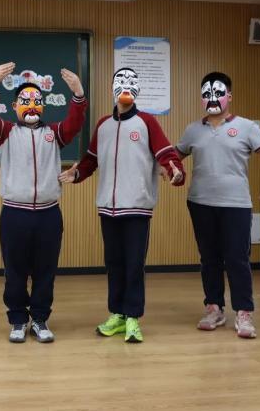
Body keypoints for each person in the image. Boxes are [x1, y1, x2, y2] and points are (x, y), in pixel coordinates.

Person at [60, 67, 185, 343]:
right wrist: (76, 174)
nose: (126, 86)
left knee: (133, 264)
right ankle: (117, 314)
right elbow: (91, 160)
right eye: (120, 81)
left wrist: (175, 171)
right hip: (108, 208)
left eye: (131, 82)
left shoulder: (147, 122)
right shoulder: (103, 125)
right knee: (114, 263)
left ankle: (133, 318)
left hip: (137, 207)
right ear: (112, 88)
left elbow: (167, 155)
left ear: (137, 89)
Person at [0, 62, 87, 343]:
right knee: (14, 271)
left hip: (49, 214)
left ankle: (40, 319)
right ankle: (18, 319)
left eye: (37, 101)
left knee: (45, 271)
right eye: (25, 101)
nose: (31, 106)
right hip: (14, 214)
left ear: (43, 106)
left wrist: (78, 94)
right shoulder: (5, 133)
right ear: (15, 106)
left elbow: (75, 123)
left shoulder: (54, 133)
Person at [176, 71, 260, 338]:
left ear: (229, 96)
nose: (212, 98)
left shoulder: (246, 127)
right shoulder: (193, 130)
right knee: (209, 258)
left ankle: (244, 312)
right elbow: (175, 155)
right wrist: (168, 168)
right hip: (200, 203)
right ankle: (214, 308)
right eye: (206, 94)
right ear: (201, 98)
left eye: (218, 93)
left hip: (236, 204)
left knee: (237, 258)